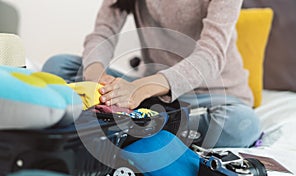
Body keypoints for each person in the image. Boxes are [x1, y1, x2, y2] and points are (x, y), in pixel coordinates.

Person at [42, 0, 261, 148]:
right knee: (60, 66)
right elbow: (103, 32)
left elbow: (210, 55)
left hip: (210, 96)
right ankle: (144, 121)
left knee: (242, 125)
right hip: (147, 96)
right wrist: (96, 74)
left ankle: (132, 121)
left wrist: (140, 87)